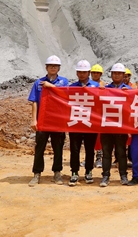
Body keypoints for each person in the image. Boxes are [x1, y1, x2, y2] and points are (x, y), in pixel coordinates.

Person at [28, 55, 69, 187]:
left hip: (58, 120)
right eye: (50, 65)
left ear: (59, 68)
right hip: (43, 120)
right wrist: (34, 119)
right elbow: (34, 101)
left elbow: (65, 96)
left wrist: (50, 86)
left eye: (55, 66)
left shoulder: (64, 82)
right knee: (40, 147)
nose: (53, 67)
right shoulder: (38, 83)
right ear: (46, 67)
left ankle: (57, 173)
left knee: (58, 147)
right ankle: (37, 173)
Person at [68, 60, 100, 186]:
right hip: (75, 122)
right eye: (79, 72)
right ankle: (74, 172)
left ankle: (88, 171)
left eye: (84, 72)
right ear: (77, 73)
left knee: (89, 149)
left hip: (90, 123)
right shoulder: (72, 87)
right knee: (75, 149)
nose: (82, 74)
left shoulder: (96, 86)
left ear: (89, 73)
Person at [99, 63, 131, 187]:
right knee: (106, 152)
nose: (117, 75)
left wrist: (129, 93)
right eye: (115, 73)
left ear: (124, 75)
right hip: (106, 126)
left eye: (119, 73)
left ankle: (123, 175)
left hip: (120, 127)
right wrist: (100, 92)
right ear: (111, 75)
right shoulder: (105, 89)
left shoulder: (128, 90)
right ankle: (105, 176)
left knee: (121, 152)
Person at [90, 64, 104, 168]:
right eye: (94, 72)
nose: (95, 74)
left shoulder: (103, 86)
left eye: (97, 73)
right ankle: (88, 158)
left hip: (100, 115)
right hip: (90, 115)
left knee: (100, 138)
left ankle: (99, 157)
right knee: (89, 138)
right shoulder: (87, 85)